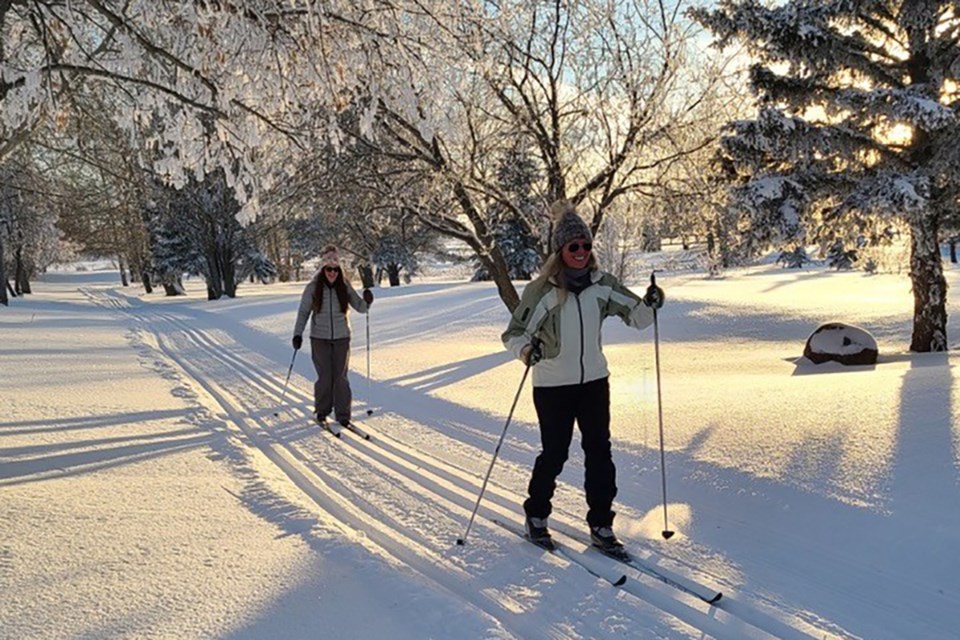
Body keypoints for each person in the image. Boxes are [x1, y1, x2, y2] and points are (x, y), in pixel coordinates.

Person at [501, 200, 665, 552]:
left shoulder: (603, 284)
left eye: (586, 245)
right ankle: (536, 514)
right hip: (552, 385)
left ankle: (602, 523)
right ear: (560, 250)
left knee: (599, 452)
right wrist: (528, 352)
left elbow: (637, 317)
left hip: (594, 382)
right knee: (555, 453)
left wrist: (651, 302)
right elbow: (513, 334)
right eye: (573, 246)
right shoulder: (541, 291)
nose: (581, 251)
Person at [292, 245, 375, 427]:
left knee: (340, 377)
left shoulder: (344, 286)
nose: (332, 273)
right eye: (328, 269)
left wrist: (367, 301)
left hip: (342, 337)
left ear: (339, 269)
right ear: (323, 269)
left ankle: (343, 414)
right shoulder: (313, 287)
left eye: (335, 269)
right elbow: (303, 312)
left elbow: (360, 307)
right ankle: (322, 411)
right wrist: (297, 334)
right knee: (325, 376)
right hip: (319, 338)